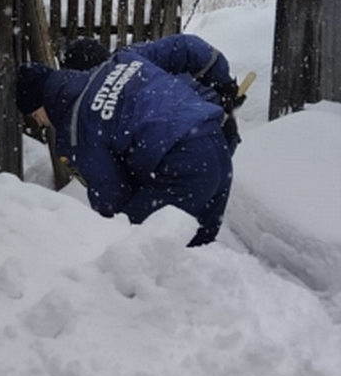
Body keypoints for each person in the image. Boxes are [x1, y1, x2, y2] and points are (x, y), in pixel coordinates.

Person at [17, 34, 245, 246]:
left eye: (35, 115)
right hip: (216, 142)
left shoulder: (77, 127)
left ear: (41, 102)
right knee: (196, 259)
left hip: (181, 168)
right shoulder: (124, 60)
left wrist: (107, 228)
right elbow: (187, 47)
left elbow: (111, 196)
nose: (38, 123)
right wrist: (224, 84)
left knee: (131, 244)